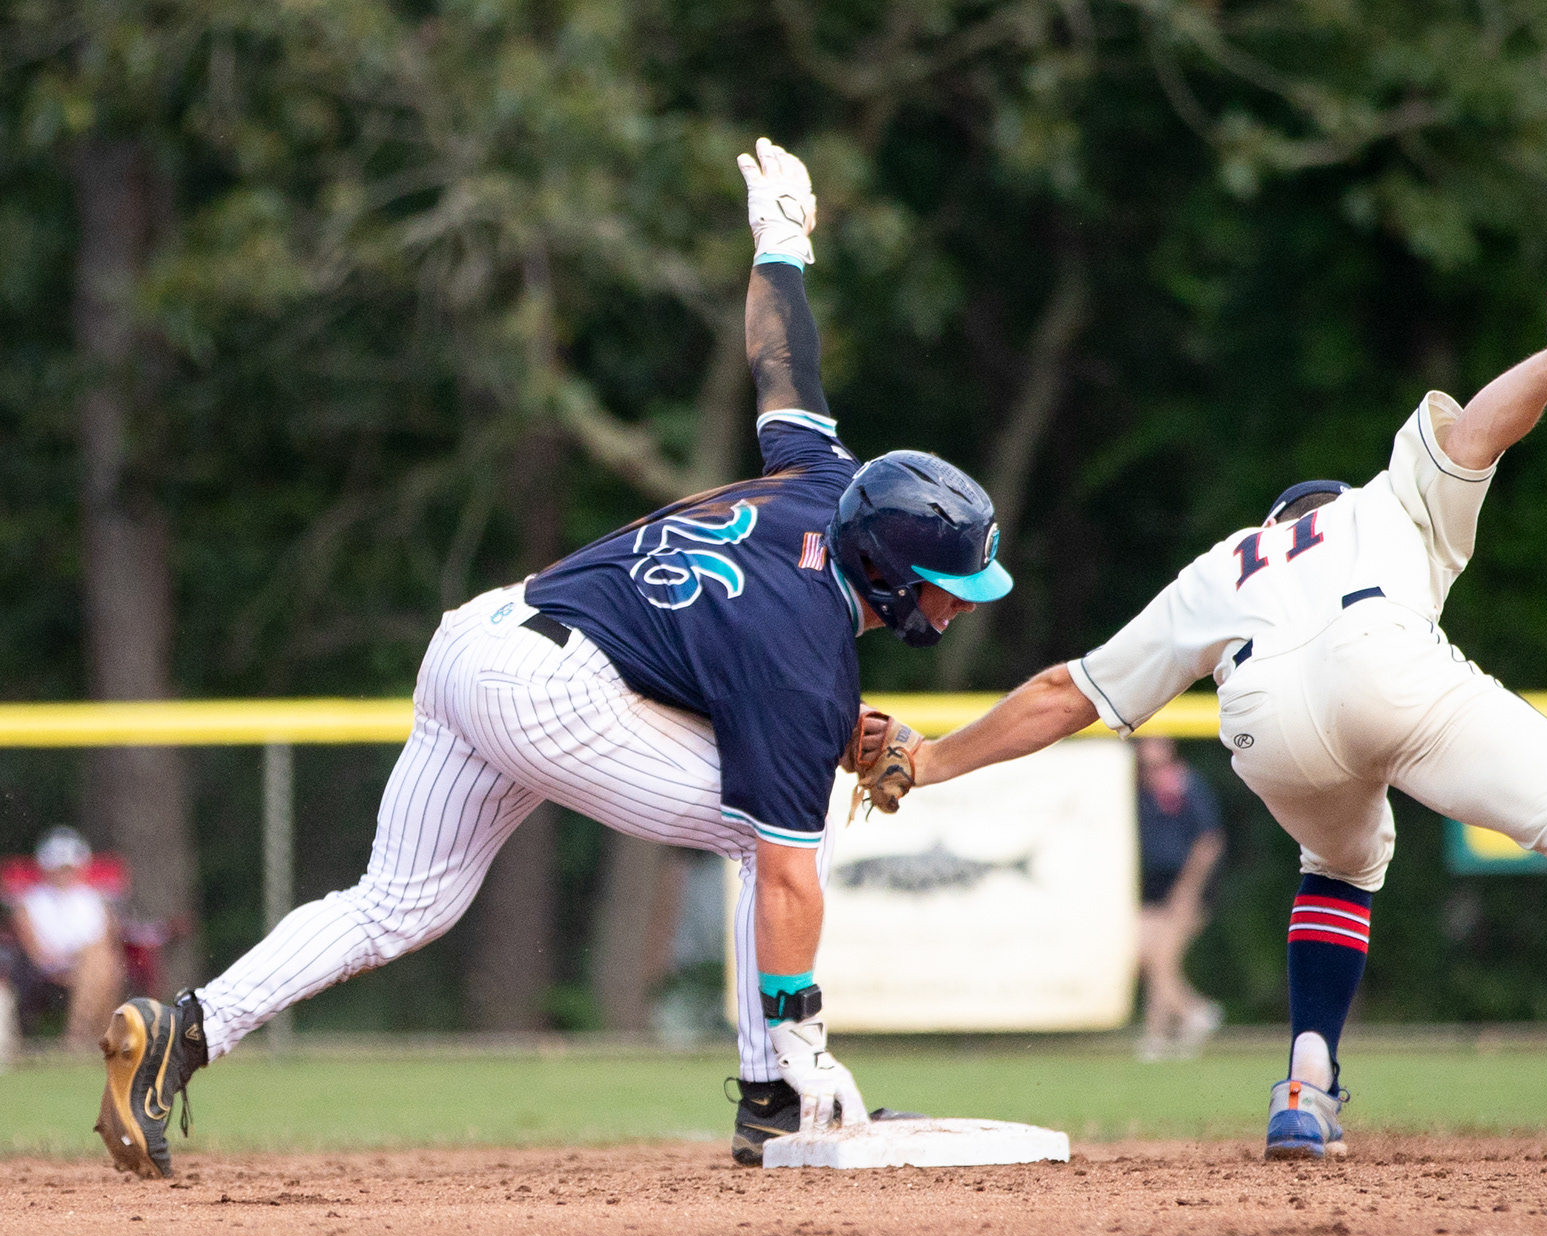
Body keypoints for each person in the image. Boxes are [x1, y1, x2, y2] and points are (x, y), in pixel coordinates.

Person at [94, 139, 1014, 1179]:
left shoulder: (821, 476)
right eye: (946, 581)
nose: (954, 601)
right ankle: (780, 1091)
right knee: (770, 843)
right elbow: (791, 867)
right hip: (553, 689)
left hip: (479, 641)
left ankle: (182, 1028)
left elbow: (782, 363)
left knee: (398, 903)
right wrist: (803, 1016)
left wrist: (782, 240)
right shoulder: (805, 650)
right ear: (889, 567)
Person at [888, 265, 1547, 1160]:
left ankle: (1304, 1085)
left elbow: (1069, 690)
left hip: (1263, 722)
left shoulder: (1222, 564)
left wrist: (930, 759)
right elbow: (1479, 429)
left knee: (1342, 863)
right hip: (1385, 661)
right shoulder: (1382, 501)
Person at [1132, 738, 1224, 1060]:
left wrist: (1187, 891)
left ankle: (1163, 1031)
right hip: (1153, 891)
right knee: (1148, 957)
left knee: (1162, 958)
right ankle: (1189, 1016)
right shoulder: (1139, 792)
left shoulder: (1187, 787)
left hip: (1186, 889)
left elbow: (1209, 842)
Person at [3, 827, 126, 1055]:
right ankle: (86, 1039)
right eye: (58, 869)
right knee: (100, 965)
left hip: (89, 965)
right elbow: (34, 949)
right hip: (49, 966)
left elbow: (106, 942)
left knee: (98, 962)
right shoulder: (30, 902)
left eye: (68, 868)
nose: (64, 874)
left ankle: (77, 1039)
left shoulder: (93, 899)